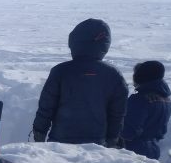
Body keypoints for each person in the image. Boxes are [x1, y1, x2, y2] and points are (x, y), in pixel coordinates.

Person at [32, 18, 128, 146]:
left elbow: (46, 106)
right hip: (96, 146)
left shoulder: (60, 71)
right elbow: (117, 114)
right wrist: (112, 139)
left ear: (74, 42)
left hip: (59, 143)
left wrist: (39, 131)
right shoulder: (114, 75)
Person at [121, 60, 171, 159]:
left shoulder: (139, 99)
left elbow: (128, 132)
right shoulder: (167, 100)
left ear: (141, 77)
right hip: (154, 149)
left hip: (134, 152)